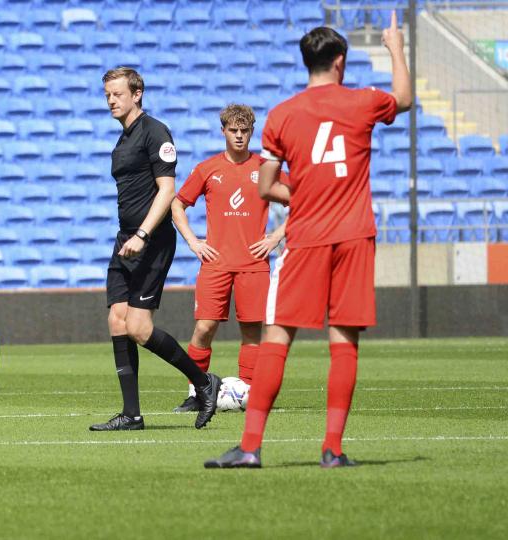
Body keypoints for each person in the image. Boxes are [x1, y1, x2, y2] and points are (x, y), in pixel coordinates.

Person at [205, 16, 411, 468]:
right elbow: (405, 98)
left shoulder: (282, 114)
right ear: (340, 62)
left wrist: (303, 195)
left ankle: (250, 447)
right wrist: (395, 46)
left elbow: (265, 186)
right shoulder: (363, 101)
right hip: (355, 236)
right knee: (344, 339)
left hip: (307, 238)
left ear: (306, 63)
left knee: (278, 336)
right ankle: (332, 449)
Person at [93, 67, 221, 432]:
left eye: (117, 94)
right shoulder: (122, 141)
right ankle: (131, 414)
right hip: (126, 239)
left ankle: (203, 382)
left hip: (150, 241)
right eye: (107, 95)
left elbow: (167, 191)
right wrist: (130, 236)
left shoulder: (155, 132)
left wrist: (143, 234)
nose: (111, 100)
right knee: (117, 320)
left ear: (137, 94)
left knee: (138, 327)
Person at [170, 104, 287, 412]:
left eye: (244, 131)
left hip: (254, 265)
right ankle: (197, 393)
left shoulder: (265, 168)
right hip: (215, 264)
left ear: (252, 132)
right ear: (223, 131)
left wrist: (276, 237)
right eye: (233, 130)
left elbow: (303, 200)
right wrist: (193, 242)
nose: (238, 136)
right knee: (204, 328)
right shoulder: (207, 169)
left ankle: (248, 394)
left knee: (251, 331)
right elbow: (177, 205)